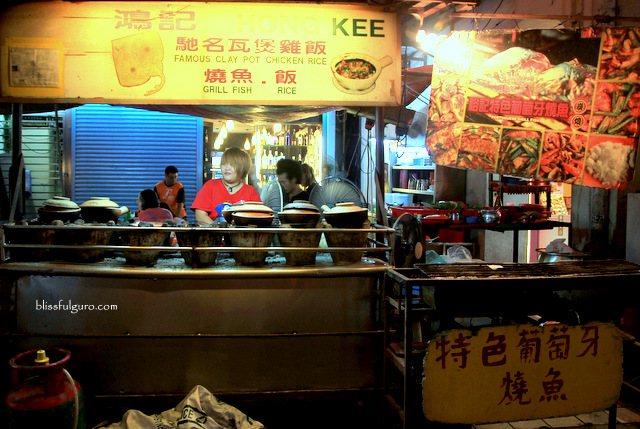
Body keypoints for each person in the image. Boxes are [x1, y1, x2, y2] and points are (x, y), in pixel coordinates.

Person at [191, 147, 262, 225]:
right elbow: (200, 216)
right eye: (224, 164)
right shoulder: (210, 186)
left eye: (232, 165)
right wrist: (217, 229)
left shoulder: (251, 192)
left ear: (242, 168)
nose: (227, 168)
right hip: (214, 232)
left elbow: (258, 219)